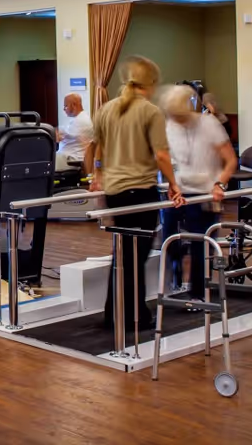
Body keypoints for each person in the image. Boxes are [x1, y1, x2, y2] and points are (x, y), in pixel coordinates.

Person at [89, 56, 185, 330]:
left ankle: (115, 313)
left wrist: (97, 176)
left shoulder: (107, 108)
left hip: (115, 193)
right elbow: (162, 154)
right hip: (141, 192)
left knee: (122, 253)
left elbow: (98, 149)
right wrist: (173, 184)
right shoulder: (150, 111)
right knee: (137, 254)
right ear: (150, 83)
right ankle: (134, 315)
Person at [161, 85, 237, 300]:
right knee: (169, 240)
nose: (178, 120)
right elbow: (169, 160)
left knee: (200, 247)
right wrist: (170, 184)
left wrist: (219, 184)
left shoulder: (209, 123)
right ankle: (175, 282)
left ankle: (198, 294)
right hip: (180, 193)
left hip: (205, 193)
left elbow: (231, 160)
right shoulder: (169, 126)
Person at [55, 93, 93, 172]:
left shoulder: (81, 120)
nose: (64, 109)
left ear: (74, 105)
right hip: (69, 156)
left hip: (73, 159)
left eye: (66, 106)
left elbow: (61, 135)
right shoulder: (78, 118)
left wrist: (57, 133)